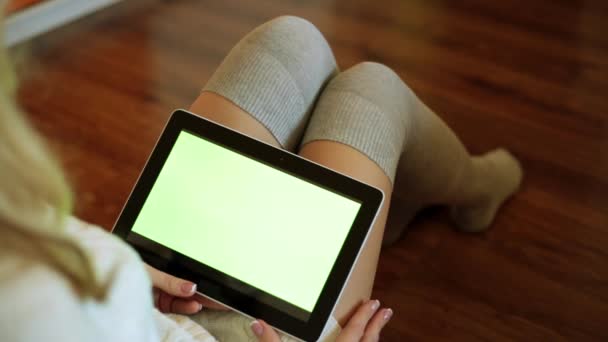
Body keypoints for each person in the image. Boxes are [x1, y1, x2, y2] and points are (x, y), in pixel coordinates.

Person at [0, 14, 522, 342]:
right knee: (371, 91)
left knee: (290, 40)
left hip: (157, 292)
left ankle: (404, 204)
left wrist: (134, 279)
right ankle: (475, 186)